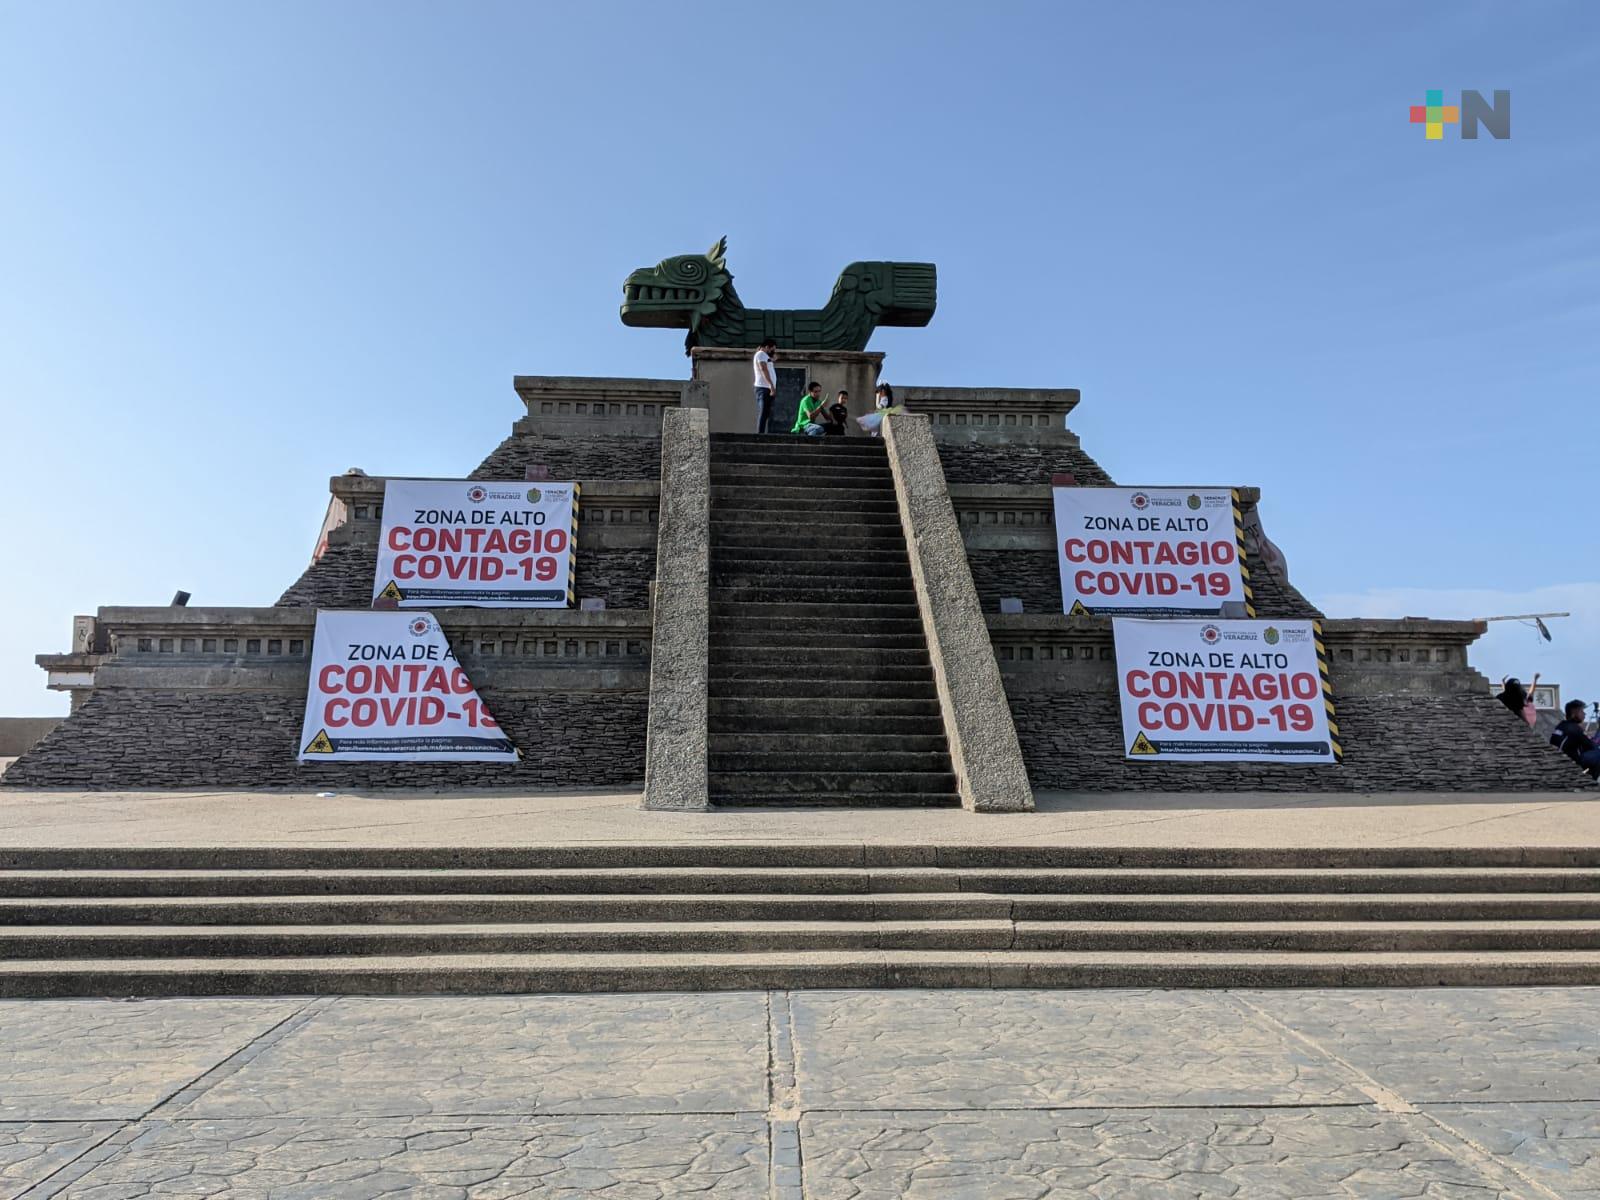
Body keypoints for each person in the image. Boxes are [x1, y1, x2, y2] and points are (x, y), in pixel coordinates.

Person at [1551, 699, 1600, 779]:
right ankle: (1592, 780)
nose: (1585, 713)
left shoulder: (1562, 725)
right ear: (1573, 714)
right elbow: (1591, 745)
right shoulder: (1574, 729)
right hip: (1570, 760)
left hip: (1560, 758)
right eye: (1581, 711)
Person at [752, 338, 778, 434]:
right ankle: (760, 434)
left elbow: (769, 362)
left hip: (766, 387)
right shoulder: (761, 354)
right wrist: (771, 385)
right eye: (772, 349)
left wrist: (772, 358)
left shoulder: (764, 355)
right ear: (767, 347)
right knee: (763, 412)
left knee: (766, 413)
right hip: (763, 387)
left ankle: (762, 433)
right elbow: (763, 369)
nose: (773, 351)